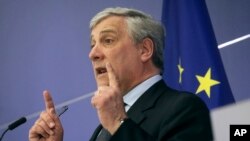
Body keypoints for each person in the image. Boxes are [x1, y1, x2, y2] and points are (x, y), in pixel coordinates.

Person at [29, 7, 213, 141]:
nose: (92, 54)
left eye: (107, 40)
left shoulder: (184, 109)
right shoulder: (103, 129)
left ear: (144, 49)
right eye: (92, 45)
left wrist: (118, 123)